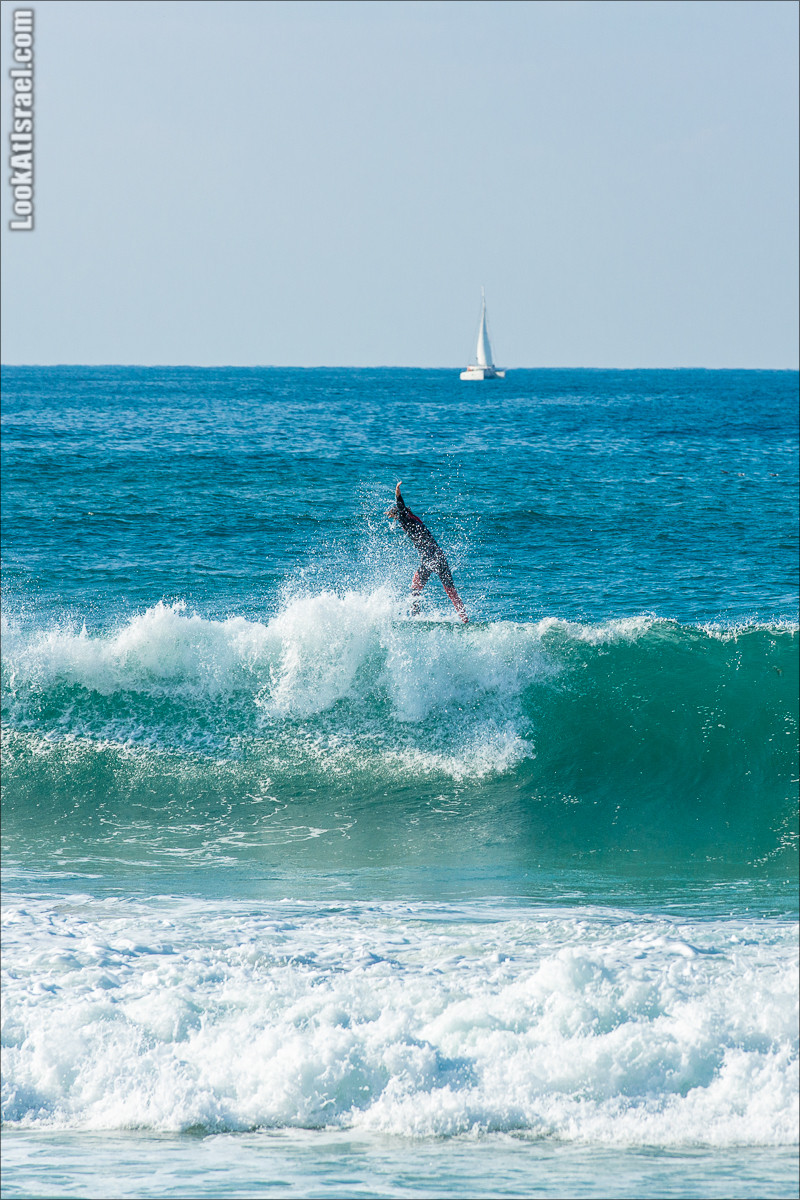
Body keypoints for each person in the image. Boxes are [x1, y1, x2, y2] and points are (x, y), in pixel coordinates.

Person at [385, 481, 469, 623]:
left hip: (430, 559)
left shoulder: (405, 519)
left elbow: (400, 506)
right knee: (451, 592)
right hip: (438, 556)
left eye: (395, 517)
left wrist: (397, 492)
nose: (396, 520)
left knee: (415, 589)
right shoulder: (415, 520)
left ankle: (416, 618)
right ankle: (465, 620)